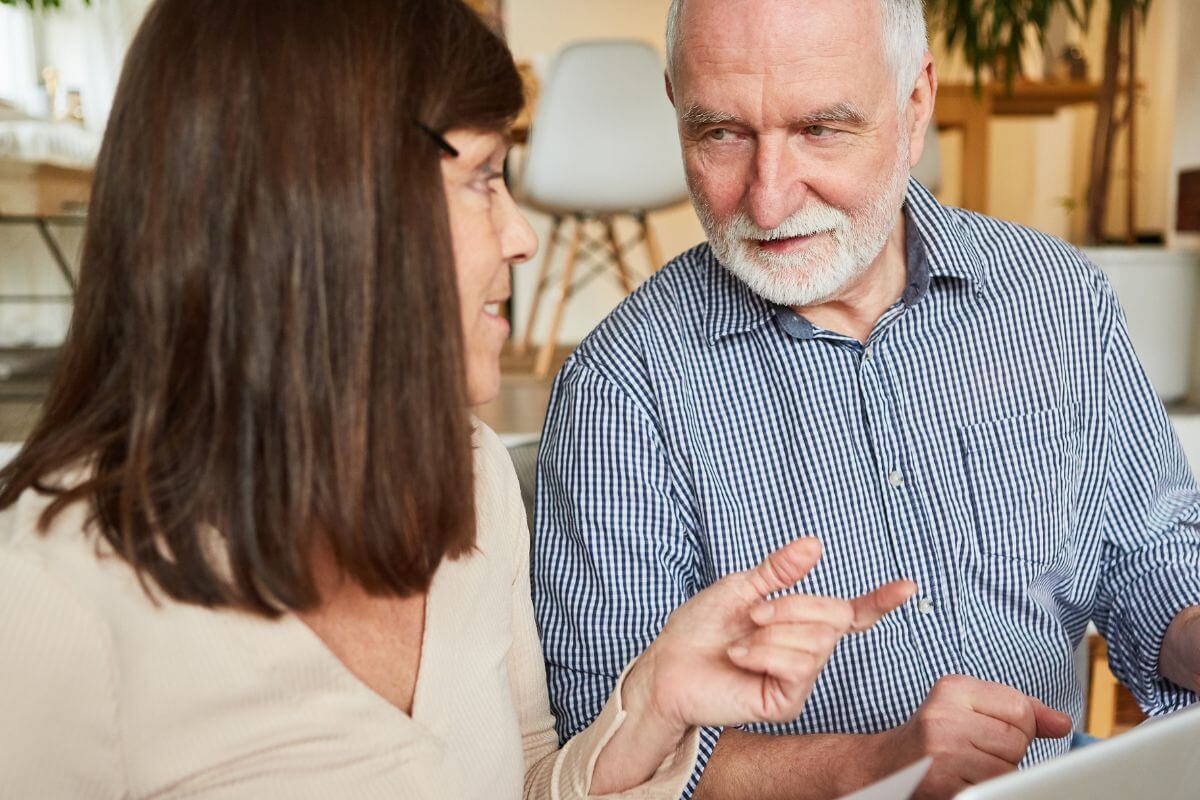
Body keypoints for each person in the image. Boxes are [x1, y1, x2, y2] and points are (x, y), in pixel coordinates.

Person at [0, 1, 915, 798]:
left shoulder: (467, 477)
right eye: (482, 179)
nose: (520, 236)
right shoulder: (55, 599)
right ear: (331, 208)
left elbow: (522, 779)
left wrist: (653, 702)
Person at [532, 0, 1200, 798]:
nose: (769, 200)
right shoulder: (619, 392)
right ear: (677, 106)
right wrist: (870, 766)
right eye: (722, 135)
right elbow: (603, 748)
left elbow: (1147, 550)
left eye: (820, 129)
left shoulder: (1055, 299)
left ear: (915, 104)